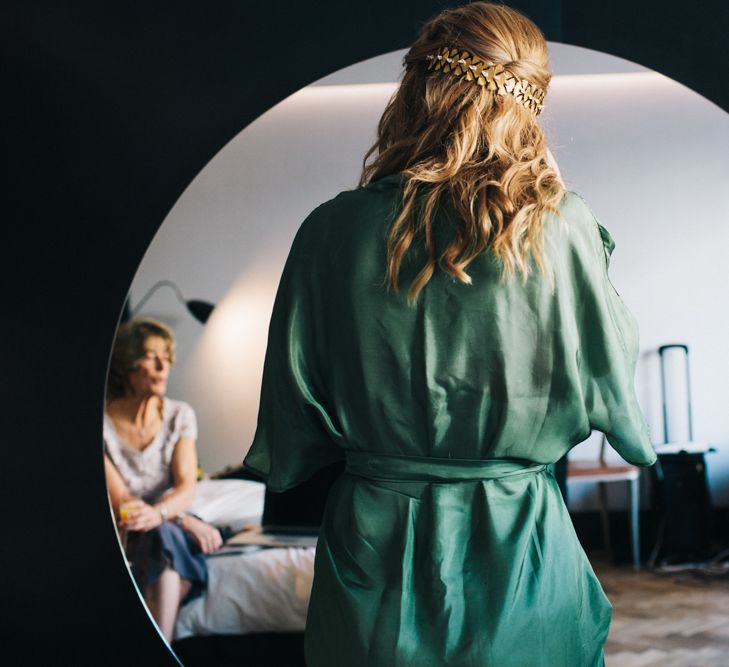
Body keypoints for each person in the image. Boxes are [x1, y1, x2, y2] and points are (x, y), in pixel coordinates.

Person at [243, 2, 657, 665]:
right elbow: (616, 397)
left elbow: (292, 418)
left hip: (375, 550)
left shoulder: (329, 231)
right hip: (519, 546)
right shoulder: (562, 228)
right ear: (530, 105)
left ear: (413, 93)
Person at [103, 318, 222, 643]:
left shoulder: (179, 415)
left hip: (168, 521)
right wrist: (174, 519)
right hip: (133, 527)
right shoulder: (100, 425)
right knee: (158, 540)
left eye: (166, 356)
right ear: (128, 364)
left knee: (160, 538)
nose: (163, 365)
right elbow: (125, 503)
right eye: (151, 356)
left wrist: (170, 516)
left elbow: (186, 486)